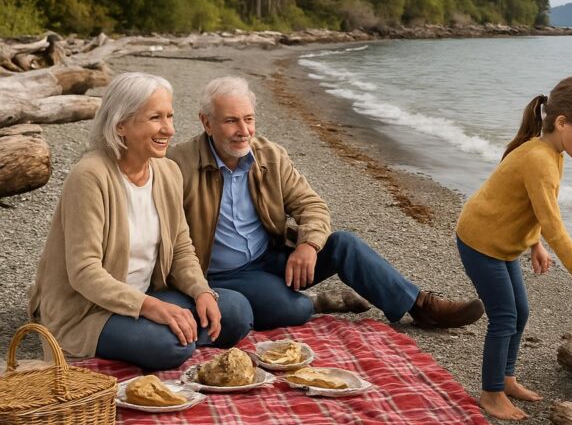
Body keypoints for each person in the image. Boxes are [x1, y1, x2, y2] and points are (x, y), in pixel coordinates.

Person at [168, 76, 483, 334]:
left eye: (249, 119)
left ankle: (422, 306)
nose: (244, 130)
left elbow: (311, 205)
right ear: (207, 123)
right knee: (290, 309)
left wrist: (308, 244)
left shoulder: (269, 155)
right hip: (224, 274)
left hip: (272, 258)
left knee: (344, 244)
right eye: (231, 121)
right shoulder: (178, 164)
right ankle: (318, 302)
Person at [28, 73, 253, 370]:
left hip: (147, 294)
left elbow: (182, 248)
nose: (169, 129)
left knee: (237, 312)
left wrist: (201, 291)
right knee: (170, 346)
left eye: (170, 116)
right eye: (155, 118)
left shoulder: (167, 172)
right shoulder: (90, 176)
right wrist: (151, 308)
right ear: (121, 124)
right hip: (90, 310)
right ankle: (155, 338)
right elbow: (84, 272)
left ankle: (159, 334)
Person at [456, 76, 572, 420]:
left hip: (503, 242)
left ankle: (506, 378)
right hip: (481, 242)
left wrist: (534, 245)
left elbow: (533, 209)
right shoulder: (540, 159)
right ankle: (491, 393)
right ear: (561, 123)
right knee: (504, 316)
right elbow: (554, 222)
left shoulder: (552, 152)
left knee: (520, 312)